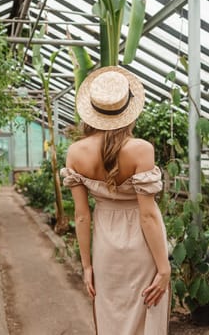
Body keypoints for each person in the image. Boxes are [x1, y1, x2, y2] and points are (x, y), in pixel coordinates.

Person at [61, 66, 171, 335]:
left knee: (109, 312)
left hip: (105, 245)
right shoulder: (141, 150)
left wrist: (86, 266)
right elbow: (147, 216)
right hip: (142, 245)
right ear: (129, 110)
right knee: (147, 311)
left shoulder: (76, 152)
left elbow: (82, 216)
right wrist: (164, 267)